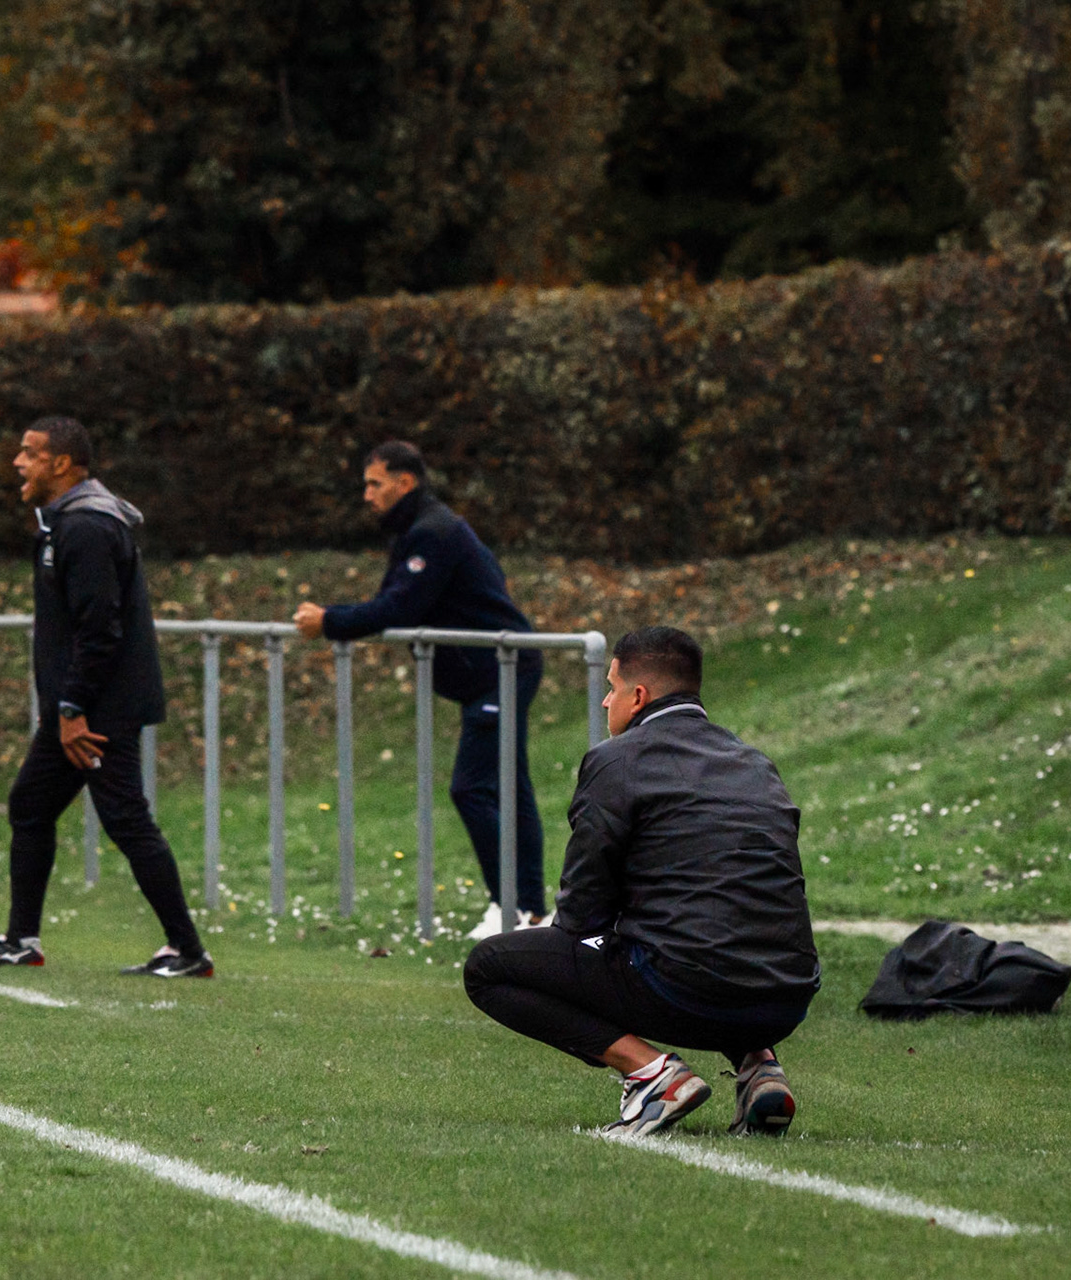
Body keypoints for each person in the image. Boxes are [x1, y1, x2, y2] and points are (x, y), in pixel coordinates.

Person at [462, 626, 819, 1137]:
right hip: (787, 996)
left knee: (489, 968)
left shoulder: (617, 760)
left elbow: (582, 911)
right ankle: (761, 1069)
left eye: (611, 688)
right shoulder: (755, 762)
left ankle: (653, 1075)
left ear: (639, 696)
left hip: (687, 989)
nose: (605, 701)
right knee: (717, 934)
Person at [0, 416, 213, 977]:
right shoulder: (64, 524)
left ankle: (189, 951)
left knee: (125, 817)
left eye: (29, 453)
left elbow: (100, 631)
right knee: (31, 805)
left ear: (62, 463)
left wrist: (73, 708)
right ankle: (21, 940)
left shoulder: (88, 528)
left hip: (97, 711)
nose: (18, 463)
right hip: (77, 708)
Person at [293, 441, 547, 939]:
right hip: (492, 671)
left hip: (503, 668)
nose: (367, 495)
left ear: (404, 483)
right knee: (508, 787)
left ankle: (512, 906)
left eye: (375, 484)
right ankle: (530, 910)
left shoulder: (434, 532)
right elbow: (394, 601)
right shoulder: (418, 530)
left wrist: (329, 621)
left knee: (472, 788)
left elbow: (399, 608)